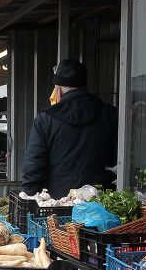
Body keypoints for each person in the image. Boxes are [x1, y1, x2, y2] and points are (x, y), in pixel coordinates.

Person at [22, 59, 118, 199]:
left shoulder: (46, 119)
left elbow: (34, 164)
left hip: (59, 202)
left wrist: (30, 196)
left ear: (58, 89)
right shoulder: (110, 114)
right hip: (100, 200)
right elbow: (116, 158)